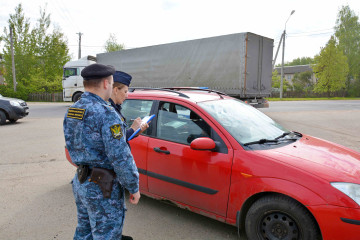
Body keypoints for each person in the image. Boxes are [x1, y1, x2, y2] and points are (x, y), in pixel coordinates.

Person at [63, 63, 139, 240]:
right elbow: (120, 157)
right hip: (103, 186)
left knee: (84, 231)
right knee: (107, 235)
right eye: (112, 83)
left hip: (81, 181)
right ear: (106, 83)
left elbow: (71, 142)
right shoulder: (107, 114)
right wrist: (133, 186)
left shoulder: (73, 110)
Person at [109, 71, 148, 143]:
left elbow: (120, 137)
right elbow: (117, 142)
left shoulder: (115, 108)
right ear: (116, 90)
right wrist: (133, 128)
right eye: (125, 91)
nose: (127, 96)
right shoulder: (109, 111)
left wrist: (136, 132)